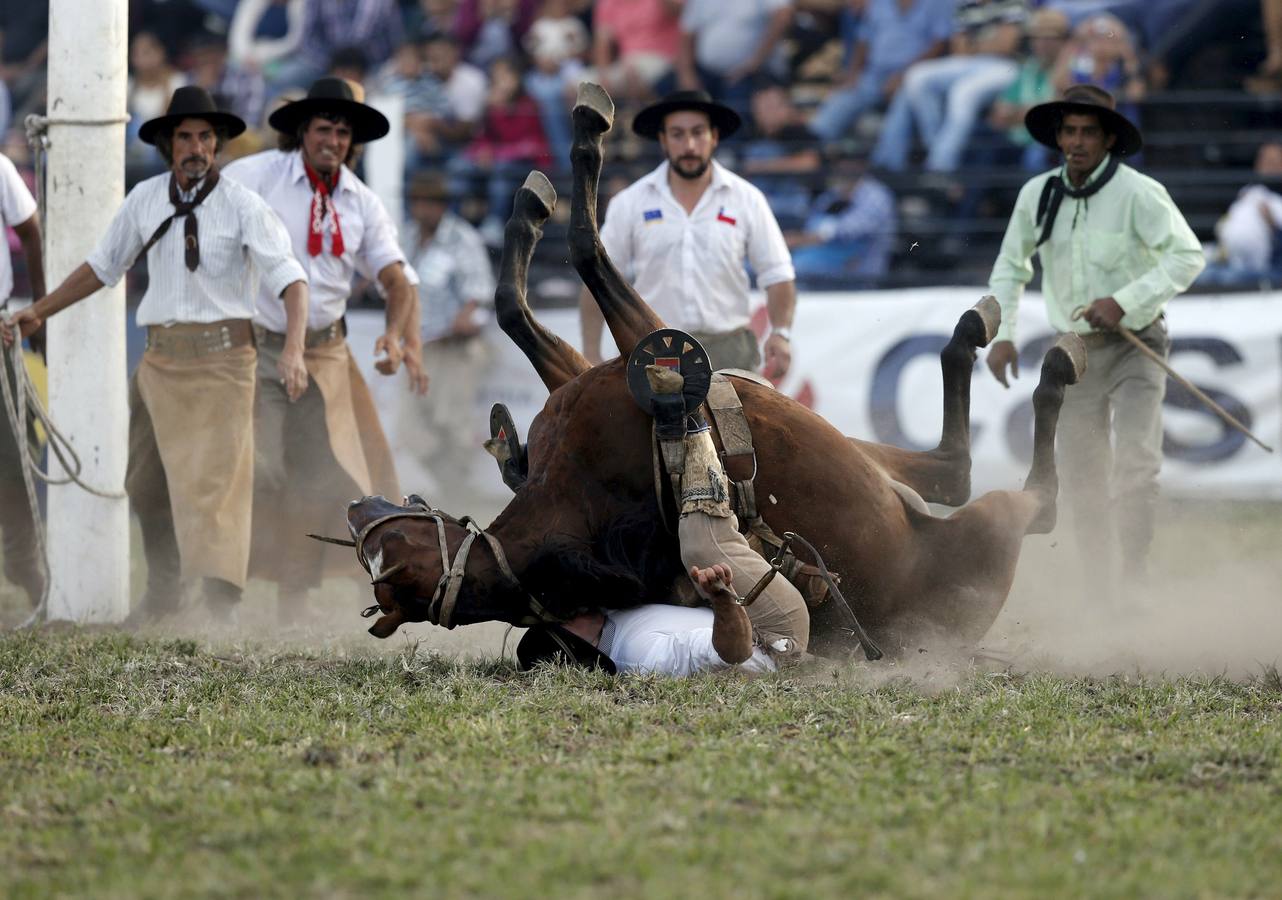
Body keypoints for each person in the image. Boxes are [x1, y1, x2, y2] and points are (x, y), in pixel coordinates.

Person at [1, 86, 311, 623]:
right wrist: (40, 311)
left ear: (217, 145)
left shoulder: (244, 204)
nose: (196, 146)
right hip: (161, 362)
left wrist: (296, 350)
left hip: (225, 360)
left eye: (205, 137)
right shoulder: (144, 198)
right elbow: (101, 267)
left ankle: (219, 611)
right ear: (168, 143)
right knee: (144, 482)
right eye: (185, 136)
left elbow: (292, 281)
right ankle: (166, 593)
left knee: (215, 486)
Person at [984, 84, 1205, 595]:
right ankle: (1099, 588)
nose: (1077, 141)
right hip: (1074, 353)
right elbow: (1011, 267)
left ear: (1108, 139)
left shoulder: (1139, 193)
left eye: (1088, 132)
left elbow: (1186, 255)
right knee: (1082, 477)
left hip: (1136, 343)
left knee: (1135, 470)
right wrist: (1005, 333)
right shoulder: (1037, 195)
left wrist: (1124, 300)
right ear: (1058, 137)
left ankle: (1134, 576)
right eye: (1069, 131)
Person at [223, 77, 427, 623]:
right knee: (255, 468)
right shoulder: (255, 176)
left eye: (342, 131)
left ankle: (294, 595)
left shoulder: (361, 201)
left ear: (351, 141)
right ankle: (224, 589)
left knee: (321, 478)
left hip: (328, 355)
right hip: (259, 349)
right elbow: (207, 208)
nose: (332, 139)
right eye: (322, 128)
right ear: (302, 132)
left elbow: (398, 278)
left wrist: (393, 334)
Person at [578, 91, 797, 377]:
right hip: (654, 351)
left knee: (742, 423)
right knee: (647, 424)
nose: (689, 145)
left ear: (714, 137)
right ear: (663, 140)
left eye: (698, 133)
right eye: (678, 135)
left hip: (731, 350)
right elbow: (598, 280)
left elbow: (778, 274)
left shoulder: (747, 199)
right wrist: (591, 352)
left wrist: (781, 332)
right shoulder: (630, 203)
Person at [396, 173, 497, 504]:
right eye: (420, 202)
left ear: (443, 206)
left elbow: (480, 289)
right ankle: (452, 486)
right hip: (418, 345)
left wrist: (467, 314)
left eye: (432, 203)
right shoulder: (407, 237)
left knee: (453, 423)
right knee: (409, 426)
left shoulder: (462, 238)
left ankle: (457, 494)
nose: (425, 209)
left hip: (455, 346)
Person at [517, 563, 779, 675]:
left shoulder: (610, 618)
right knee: (701, 540)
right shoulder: (640, 657)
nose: (573, 605)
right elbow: (735, 656)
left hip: (752, 617)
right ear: (576, 644)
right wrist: (723, 600)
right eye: (564, 616)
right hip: (774, 638)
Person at [871, 0, 1027, 173]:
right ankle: (938, 150)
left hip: (1005, 67)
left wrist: (974, 45)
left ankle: (940, 166)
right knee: (917, 77)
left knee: (964, 91)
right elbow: (959, 48)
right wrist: (987, 45)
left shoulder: (1011, 3)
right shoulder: (967, 5)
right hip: (968, 63)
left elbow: (1005, 46)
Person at [808, 0, 955, 144]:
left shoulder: (938, 3)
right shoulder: (879, 3)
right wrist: (852, 74)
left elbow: (940, 44)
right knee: (840, 103)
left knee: (900, 112)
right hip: (874, 75)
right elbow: (863, 40)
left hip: (914, 76)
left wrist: (903, 75)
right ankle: (808, 151)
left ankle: (887, 164)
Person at [0, 150, 45, 609]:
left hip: (2, 332)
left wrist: (41, 312)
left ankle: (22, 562)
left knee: (15, 457)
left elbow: (31, 232)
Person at [1199, 141, 1282, 287]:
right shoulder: (1249, 192)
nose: (1267, 166)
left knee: (1224, 278)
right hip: (1232, 262)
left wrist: (1273, 225)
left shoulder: (1274, 200)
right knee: (1201, 273)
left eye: (1273, 161)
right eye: (1263, 160)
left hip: (1267, 271)